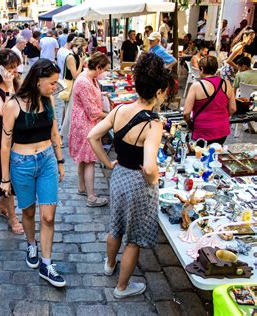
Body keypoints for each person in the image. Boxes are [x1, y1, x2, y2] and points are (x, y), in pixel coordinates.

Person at [87, 53, 174, 299]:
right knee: (133, 239)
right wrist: (155, 180)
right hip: (138, 182)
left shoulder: (120, 109)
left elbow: (92, 136)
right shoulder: (154, 124)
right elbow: (148, 167)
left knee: (115, 227)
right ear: (158, 91)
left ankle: (109, 265)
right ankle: (122, 287)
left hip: (119, 177)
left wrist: (106, 163)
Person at [0, 58, 66, 288]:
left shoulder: (49, 101)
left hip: (47, 160)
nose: (55, 87)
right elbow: (5, 145)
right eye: (52, 83)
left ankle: (47, 264)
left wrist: (60, 161)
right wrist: (5, 178)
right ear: (38, 81)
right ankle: (31, 244)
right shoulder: (13, 105)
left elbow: (55, 133)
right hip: (22, 164)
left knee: (48, 216)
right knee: (28, 213)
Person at [0, 49, 24, 235]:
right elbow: (6, 112)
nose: (14, 71)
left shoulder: (16, 82)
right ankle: (12, 217)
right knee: (5, 175)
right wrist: (9, 87)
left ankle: (2, 205)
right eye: (10, 68)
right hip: (0, 137)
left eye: (16, 67)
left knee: (15, 173)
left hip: (17, 135)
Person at [69, 53, 110, 207]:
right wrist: (110, 115)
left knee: (83, 159)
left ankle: (82, 187)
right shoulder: (84, 82)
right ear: (98, 68)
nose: (105, 72)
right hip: (85, 124)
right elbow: (92, 111)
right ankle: (91, 197)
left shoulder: (89, 78)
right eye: (104, 69)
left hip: (84, 123)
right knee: (90, 160)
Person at [184, 56, 236, 146]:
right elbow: (233, 109)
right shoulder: (226, 84)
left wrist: (190, 124)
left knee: (201, 155)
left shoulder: (196, 86)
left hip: (202, 130)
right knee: (215, 154)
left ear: (202, 69)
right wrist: (221, 118)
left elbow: (186, 113)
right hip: (222, 129)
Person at [60, 37, 87, 145]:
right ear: (79, 47)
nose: (84, 51)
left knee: (67, 111)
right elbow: (75, 75)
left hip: (73, 85)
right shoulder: (71, 57)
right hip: (70, 86)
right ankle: (61, 137)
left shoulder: (75, 56)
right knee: (68, 113)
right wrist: (81, 62)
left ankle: (62, 136)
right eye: (84, 48)